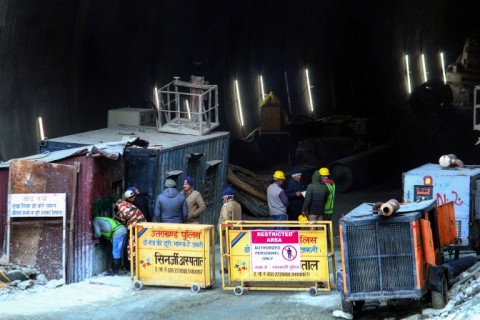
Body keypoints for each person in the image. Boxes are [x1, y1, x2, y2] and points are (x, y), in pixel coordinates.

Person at [217, 187, 242, 274]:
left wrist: (222, 229)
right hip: (236, 231)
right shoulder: (238, 205)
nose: (223, 198)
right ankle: (234, 267)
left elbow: (226, 219)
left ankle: (227, 268)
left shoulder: (226, 206)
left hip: (227, 232)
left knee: (225, 251)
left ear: (227, 197)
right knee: (234, 250)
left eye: (224, 197)